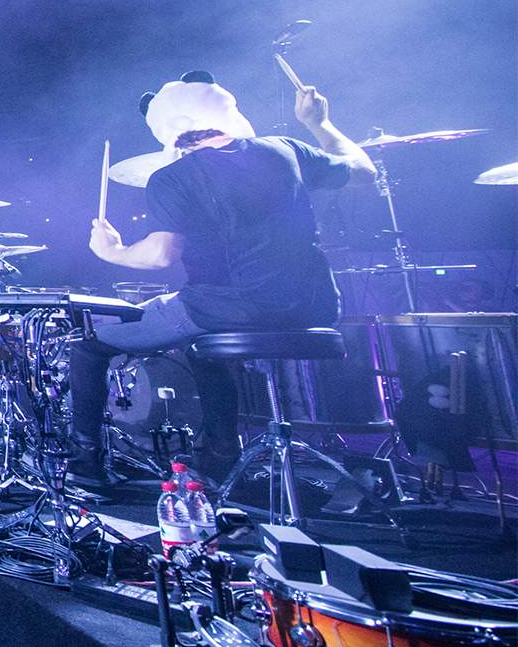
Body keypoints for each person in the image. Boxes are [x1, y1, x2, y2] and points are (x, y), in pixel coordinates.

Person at [69, 71, 375, 482]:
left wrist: (113, 251)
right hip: (316, 306)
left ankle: (86, 467)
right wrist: (318, 123)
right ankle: (217, 456)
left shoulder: (172, 177)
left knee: (88, 345)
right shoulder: (286, 149)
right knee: (201, 349)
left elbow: (161, 254)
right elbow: (364, 171)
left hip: (226, 308)